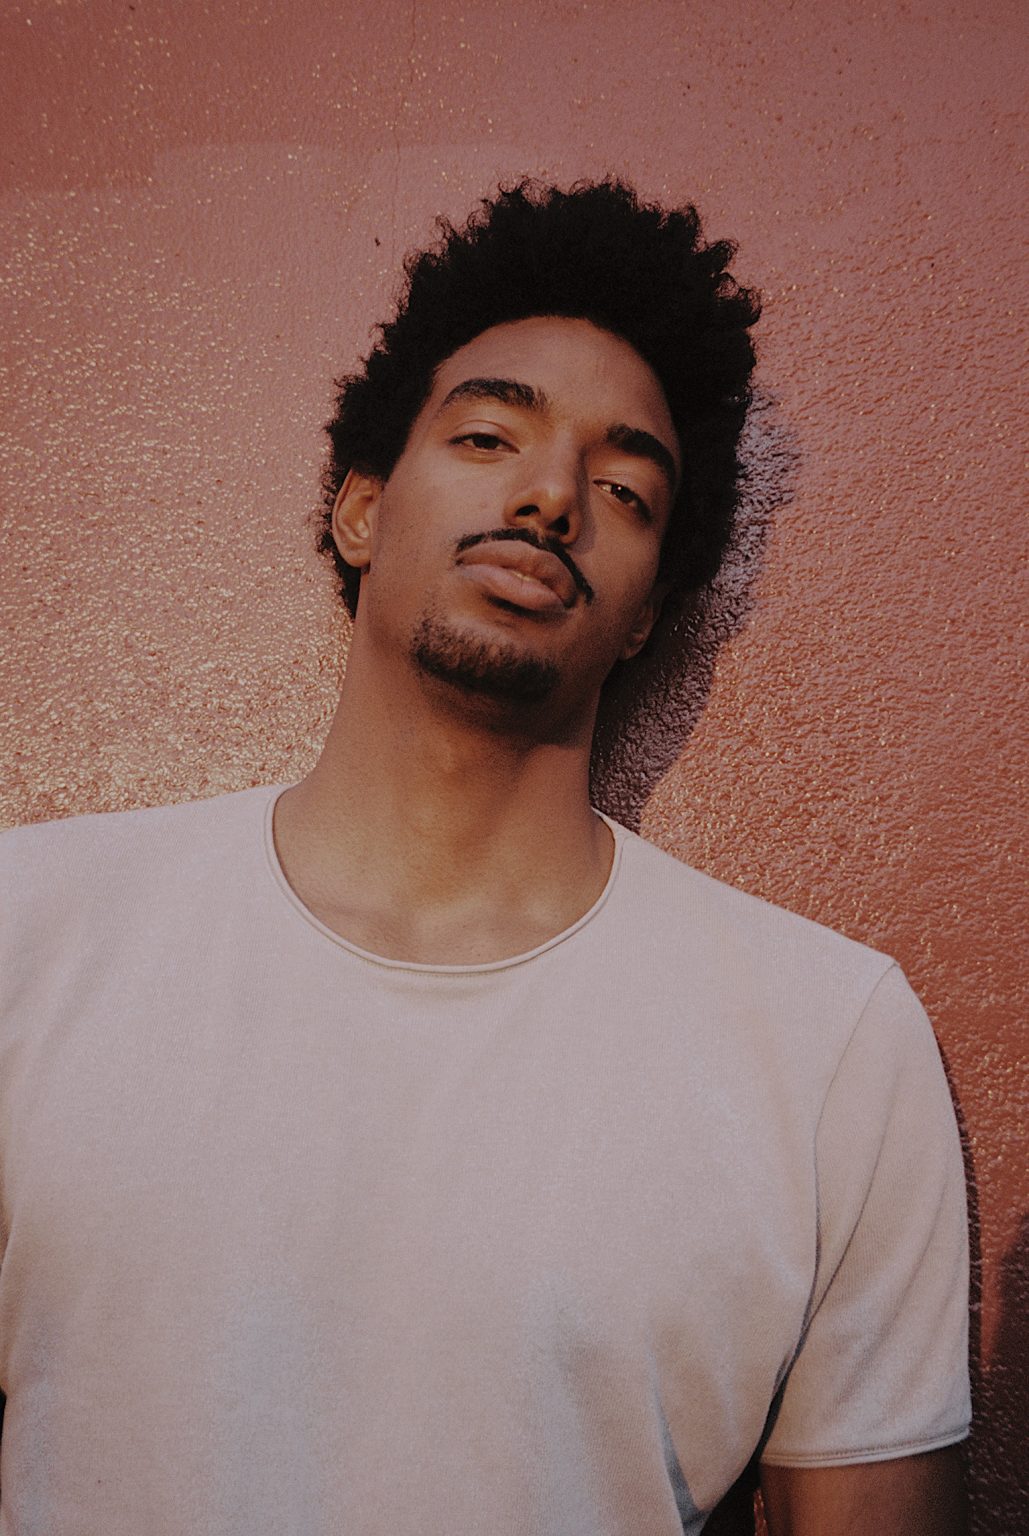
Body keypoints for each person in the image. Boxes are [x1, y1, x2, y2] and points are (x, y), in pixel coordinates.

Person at [0, 180, 970, 1534]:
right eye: (487, 435)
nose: (550, 494)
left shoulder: (829, 1045)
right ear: (360, 511)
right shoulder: (31, 933)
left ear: (646, 614)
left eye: (623, 487)